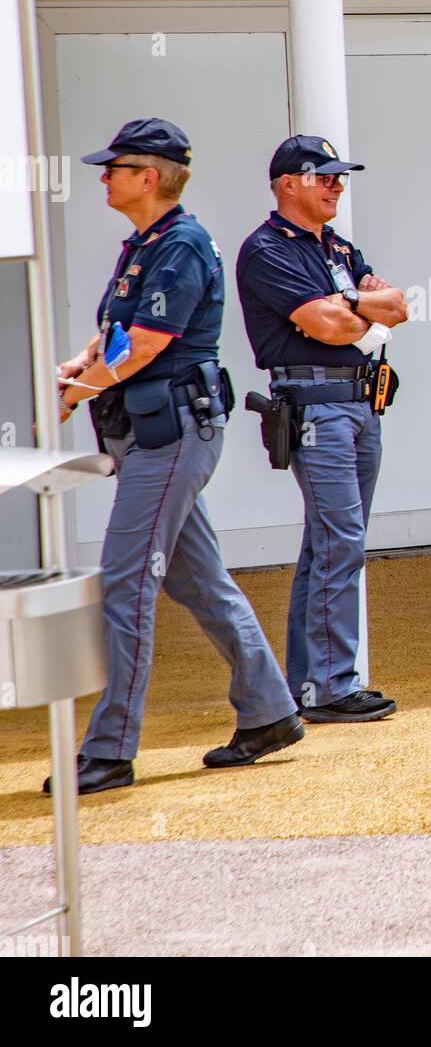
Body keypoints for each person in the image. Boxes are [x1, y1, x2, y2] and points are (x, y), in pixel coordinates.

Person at [47, 118, 302, 796]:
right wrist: (79, 364)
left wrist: (76, 390)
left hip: (170, 433)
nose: (103, 176)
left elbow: (148, 345)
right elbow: (117, 334)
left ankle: (109, 749)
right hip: (152, 430)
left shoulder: (181, 245)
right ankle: (270, 710)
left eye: (114, 167)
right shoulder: (146, 244)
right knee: (196, 581)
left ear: (148, 177)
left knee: (125, 583)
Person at [236, 134, 407, 723]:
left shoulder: (335, 244)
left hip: (360, 405)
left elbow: (399, 305)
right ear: (288, 184)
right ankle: (331, 687)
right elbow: (329, 325)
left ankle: (310, 684)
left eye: (340, 176)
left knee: (326, 545)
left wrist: (345, 304)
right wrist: (353, 306)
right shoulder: (267, 249)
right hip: (316, 410)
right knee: (341, 544)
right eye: (324, 176)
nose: (337, 184)